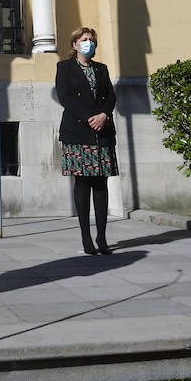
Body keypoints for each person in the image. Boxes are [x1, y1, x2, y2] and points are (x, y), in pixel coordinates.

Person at [55, 26, 118, 255]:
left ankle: (102, 237)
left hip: (101, 132)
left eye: (91, 39)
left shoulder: (101, 69)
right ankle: (86, 238)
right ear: (74, 45)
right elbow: (65, 97)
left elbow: (110, 96)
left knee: (101, 185)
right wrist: (89, 117)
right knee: (82, 184)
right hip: (78, 133)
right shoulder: (64, 67)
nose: (88, 43)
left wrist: (103, 116)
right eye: (83, 40)